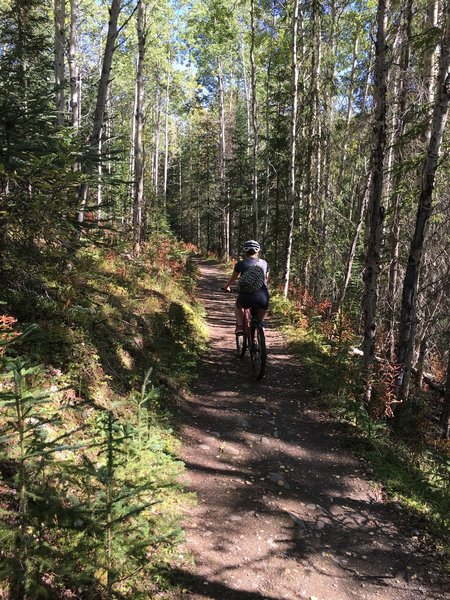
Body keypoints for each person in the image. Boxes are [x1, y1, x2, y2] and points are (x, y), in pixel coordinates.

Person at [224, 240, 269, 334]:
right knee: (263, 307)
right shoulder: (264, 263)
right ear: (258, 251)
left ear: (245, 251)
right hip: (263, 298)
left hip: (246, 297)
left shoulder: (241, 264)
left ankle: (240, 326)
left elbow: (233, 278)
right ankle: (260, 325)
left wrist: (226, 287)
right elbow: (266, 279)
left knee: (237, 305)